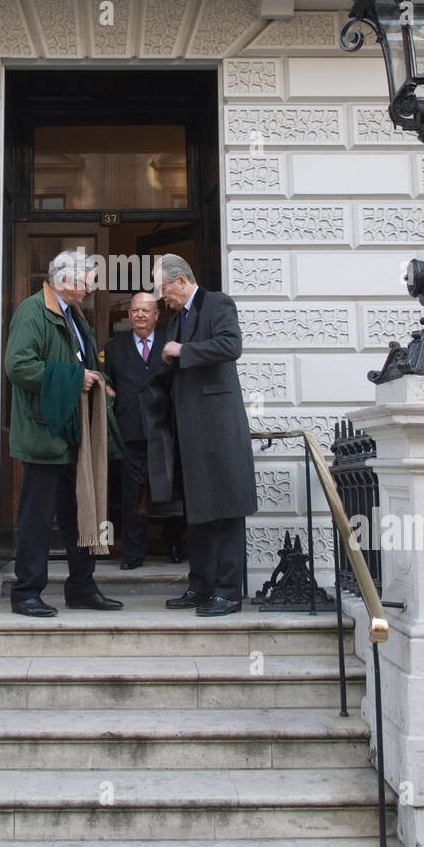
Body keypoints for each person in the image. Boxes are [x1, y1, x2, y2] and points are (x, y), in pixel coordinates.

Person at [4, 250, 124, 617]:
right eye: (87, 280)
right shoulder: (32, 312)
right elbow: (19, 366)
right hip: (45, 434)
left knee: (81, 514)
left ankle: (82, 587)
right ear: (65, 281)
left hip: (75, 432)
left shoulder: (75, 316)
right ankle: (26, 592)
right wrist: (77, 379)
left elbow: (82, 364)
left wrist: (97, 380)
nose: (90, 288)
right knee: (37, 518)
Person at [145, 254, 257, 616]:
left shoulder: (218, 303)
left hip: (219, 429)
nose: (163, 297)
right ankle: (200, 586)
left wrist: (183, 350)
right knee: (198, 512)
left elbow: (231, 345)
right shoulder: (177, 318)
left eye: (164, 288)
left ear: (181, 280)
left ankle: (228, 593)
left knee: (225, 510)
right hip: (189, 432)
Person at [104, 292, 183, 569]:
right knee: (132, 495)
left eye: (145, 311)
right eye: (135, 310)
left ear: (156, 315)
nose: (139, 315)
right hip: (131, 430)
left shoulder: (170, 344)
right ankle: (134, 553)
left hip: (165, 429)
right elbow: (108, 383)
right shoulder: (114, 348)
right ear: (129, 315)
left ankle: (176, 545)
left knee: (169, 491)